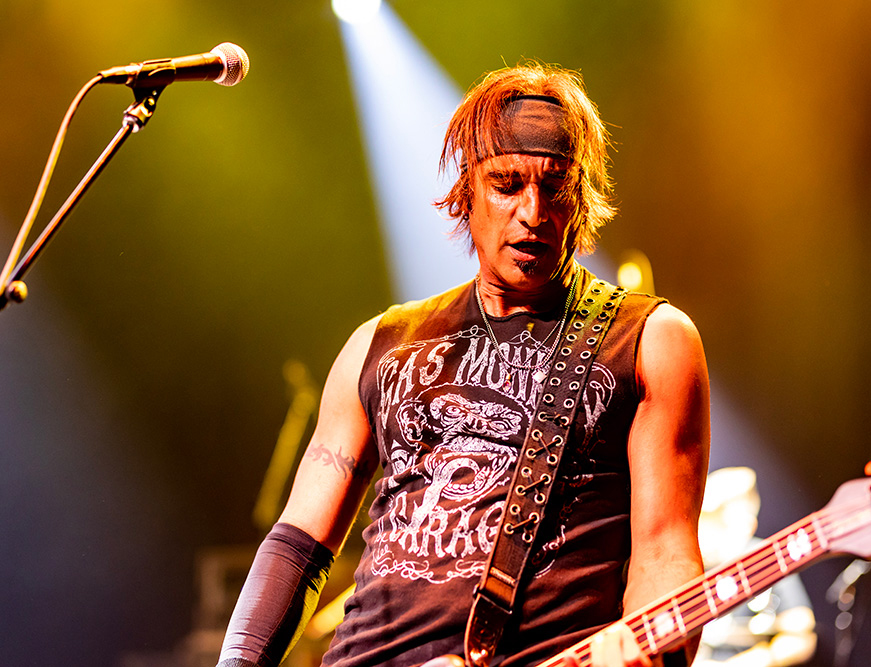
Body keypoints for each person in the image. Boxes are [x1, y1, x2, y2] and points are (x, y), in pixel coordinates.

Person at [217, 62, 710, 667]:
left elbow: (665, 552)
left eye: (555, 186)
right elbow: (298, 547)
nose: (533, 212)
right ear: (466, 192)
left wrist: (653, 658)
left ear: (581, 196)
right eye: (506, 184)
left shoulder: (649, 340)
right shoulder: (380, 343)